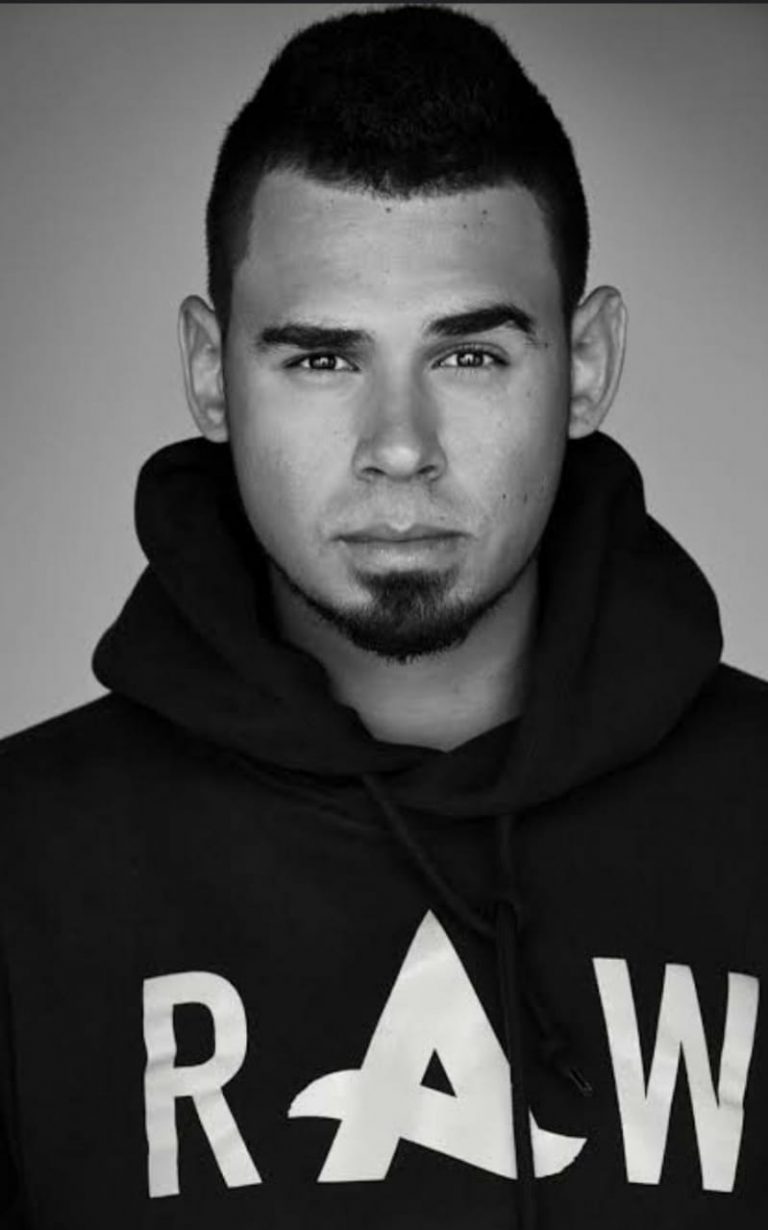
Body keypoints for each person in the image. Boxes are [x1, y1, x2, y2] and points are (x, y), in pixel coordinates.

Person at [1, 3, 766, 1227]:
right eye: (322, 359)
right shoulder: (27, 862)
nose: (399, 447)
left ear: (584, 365)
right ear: (210, 372)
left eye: (469, 356)